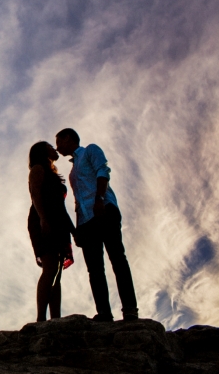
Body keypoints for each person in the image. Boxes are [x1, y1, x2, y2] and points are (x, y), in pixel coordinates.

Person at [55, 128, 138, 322]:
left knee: (117, 258)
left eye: (59, 142)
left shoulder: (90, 150)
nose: (57, 147)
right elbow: (77, 202)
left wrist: (100, 198)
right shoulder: (73, 172)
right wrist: (78, 229)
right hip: (86, 222)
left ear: (68, 138)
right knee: (94, 269)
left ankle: (130, 310)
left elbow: (103, 172)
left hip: (104, 210)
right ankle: (104, 313)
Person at [27, 141, 75, 322]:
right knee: (50, 267)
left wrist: (72, 230)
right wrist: (43, 219)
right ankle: (41, 319)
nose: (54, 149)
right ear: (42, 151)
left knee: (57, 271)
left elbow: (61, 207)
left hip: (58, 221)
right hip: (44, 219)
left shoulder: (53, 174)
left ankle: (56, 319)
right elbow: (35, 195)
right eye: (49, 146)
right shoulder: (38, 169)